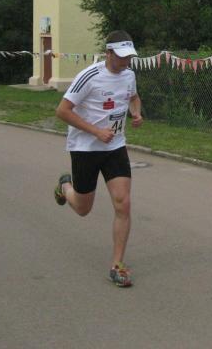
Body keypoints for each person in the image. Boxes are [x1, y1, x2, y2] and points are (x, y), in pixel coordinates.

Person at [53, 30, 143, 287]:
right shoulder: (89, 76)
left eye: (129, 56)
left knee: (123, 204)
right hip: (85, 148)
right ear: (109, 53)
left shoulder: (129, 75)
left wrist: (136, 113)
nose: (126, 61)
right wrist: (95, 131)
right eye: (122, 56)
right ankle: (65, 187)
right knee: (83, 209)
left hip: (115, 146)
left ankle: (117, 266)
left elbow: (134, 97)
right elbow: (62, 111)